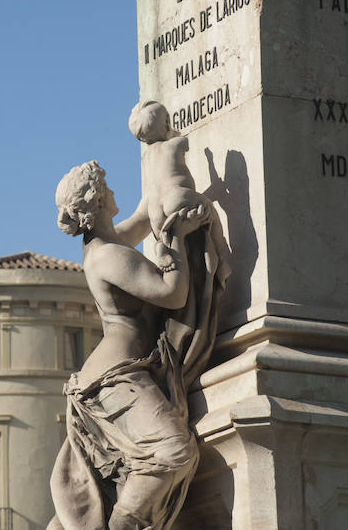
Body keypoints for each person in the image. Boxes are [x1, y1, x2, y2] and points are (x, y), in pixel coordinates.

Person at [47, 160, 225, 530]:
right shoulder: (108, 255)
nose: (113, 191)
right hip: (114, 380)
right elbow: (171, 294)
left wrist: (166, 182)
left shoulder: (107, 242)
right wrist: (176, 236)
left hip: (123, 372)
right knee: (172, 450)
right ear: (97, 200)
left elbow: (144, 216)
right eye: (106, 187)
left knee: (136, 469)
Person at [128, 100, 231, 281]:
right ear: (166, 123)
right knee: (211, 211)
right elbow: (185, 142)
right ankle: (223, 257)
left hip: (155, 208)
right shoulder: (174, 144)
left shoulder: (146, 156)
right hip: (176, 195)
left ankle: (161, 247)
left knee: (165, 236)